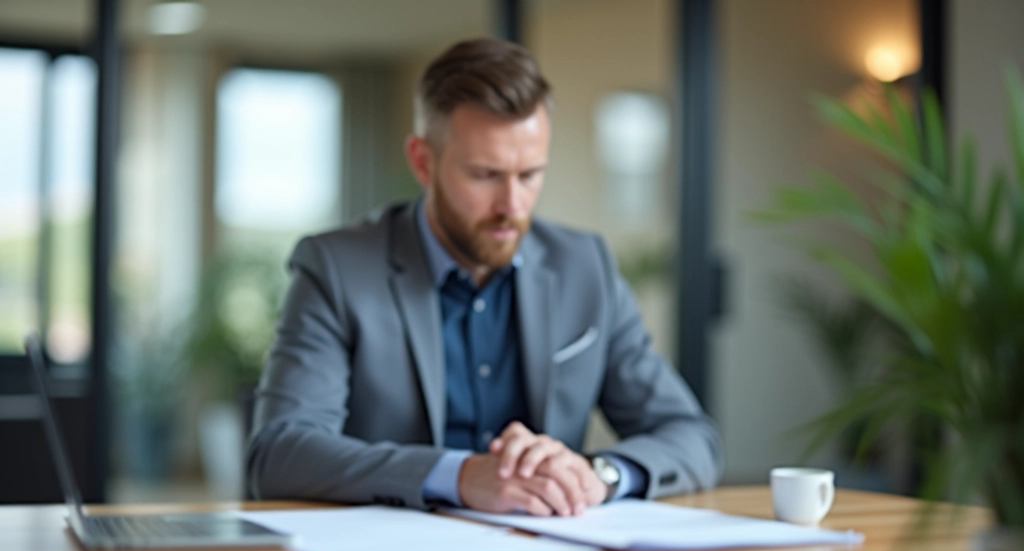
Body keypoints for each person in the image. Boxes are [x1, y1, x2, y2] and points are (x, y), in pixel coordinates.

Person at [246, 38, 722, 517]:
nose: (512, 206)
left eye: (530, 174)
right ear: (422, 162)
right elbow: (279, 452)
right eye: (485, 175)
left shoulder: (585, 267)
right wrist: (457, 475)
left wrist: (600, 477)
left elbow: (691, 437)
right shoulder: (336, 268)